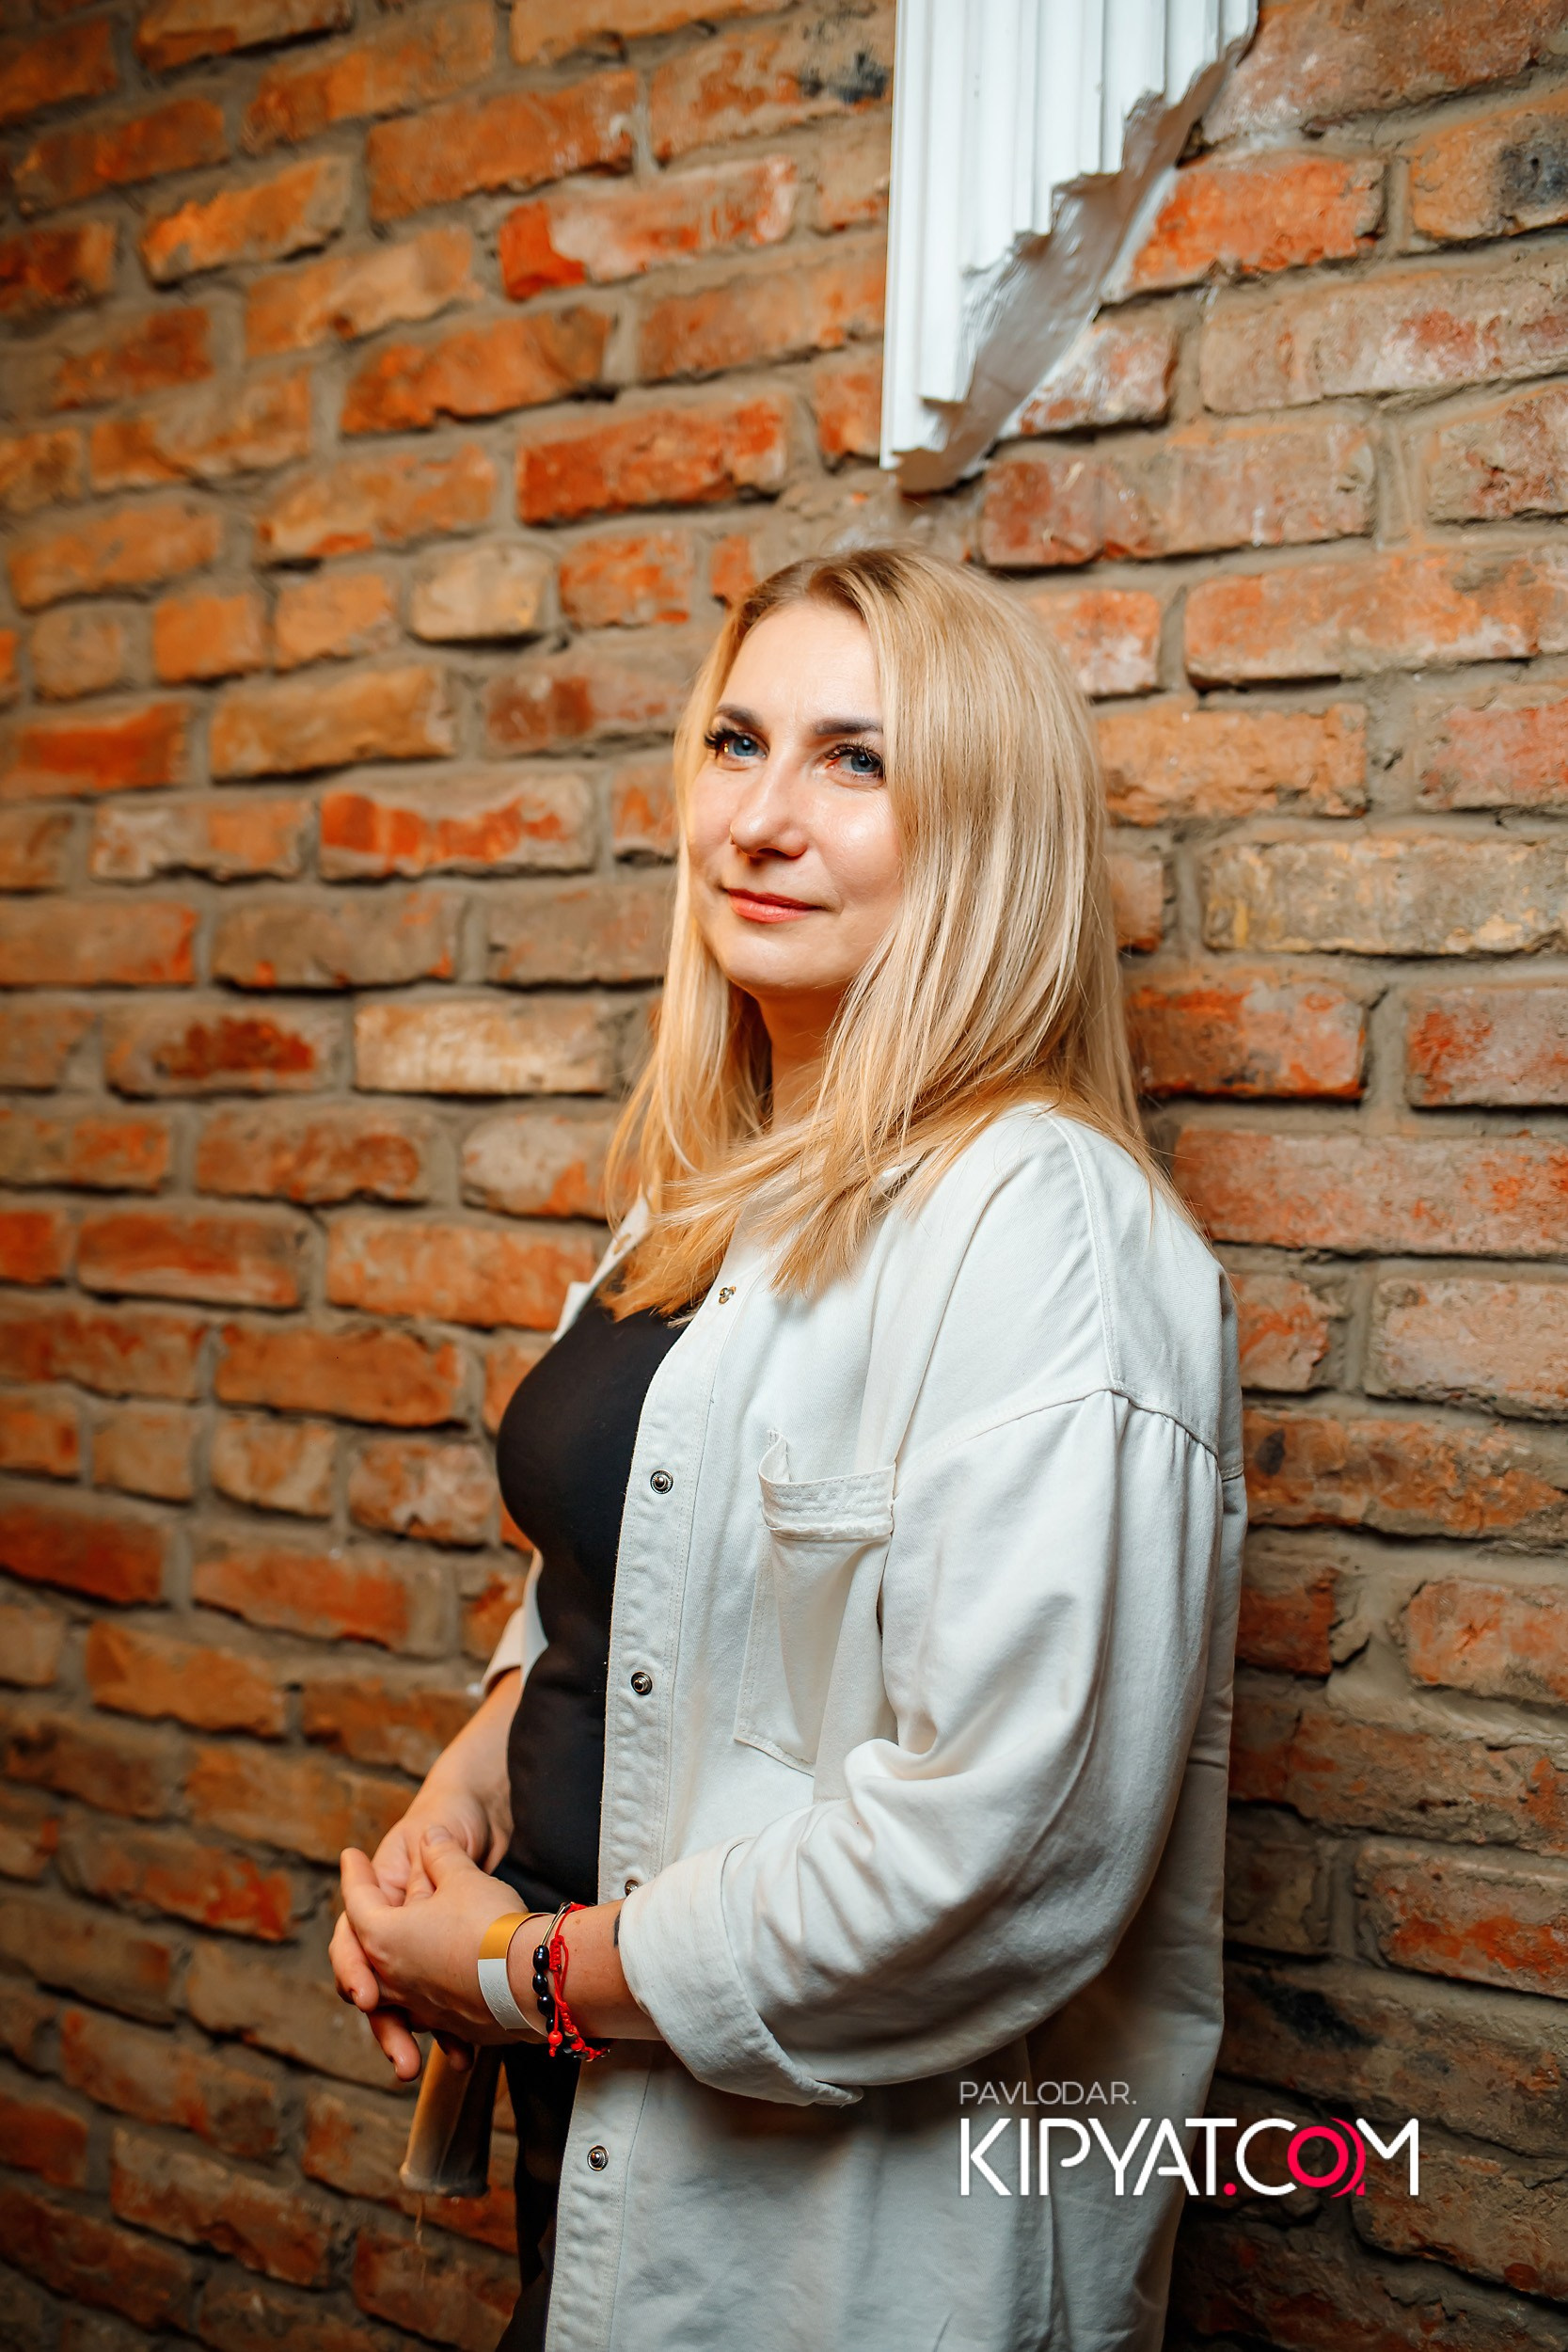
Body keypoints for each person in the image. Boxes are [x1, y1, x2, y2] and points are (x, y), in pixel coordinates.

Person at [329, 544, 1245, 2352]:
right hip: (593, 2172)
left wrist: (519, 1975)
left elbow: (990, 1862)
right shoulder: (707, 1195)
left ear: (983, 835)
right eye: (736, 742)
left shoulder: (1046, 1230)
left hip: (838, 2259)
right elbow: (619, 1592)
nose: (757, 818)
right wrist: (462, 1800)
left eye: (856, 761)